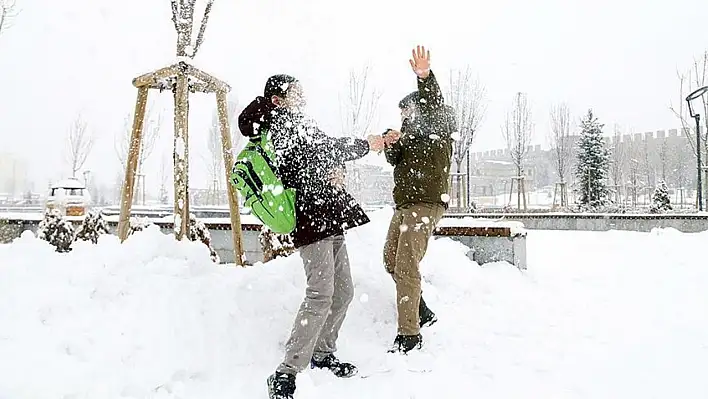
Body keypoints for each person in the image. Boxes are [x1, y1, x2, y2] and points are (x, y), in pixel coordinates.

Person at [238, 74, 387, 399]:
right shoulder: (277, 122)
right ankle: (285, 372)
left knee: (344, 290)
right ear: (278, 99)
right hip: (310, 215)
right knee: (321, 293)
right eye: (295, 92)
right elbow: (321, 150)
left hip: (329, 213)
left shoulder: (300, 122)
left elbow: (324, 154)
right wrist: (366, 145)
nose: (302, 96)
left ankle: (322, 353)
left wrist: (339, 172)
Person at [382, 45, 455, 354]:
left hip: (426, 204)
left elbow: (434, 102)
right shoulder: (409, 136)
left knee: (407, 265)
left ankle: (409, 334)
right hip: (405, 206)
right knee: (390, 259)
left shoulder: (438, 124)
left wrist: (424, 76)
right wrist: (390, 142)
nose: (404, 116)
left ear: (419, 108)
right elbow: (394, 160)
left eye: (407, 111)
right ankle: (421, 309)